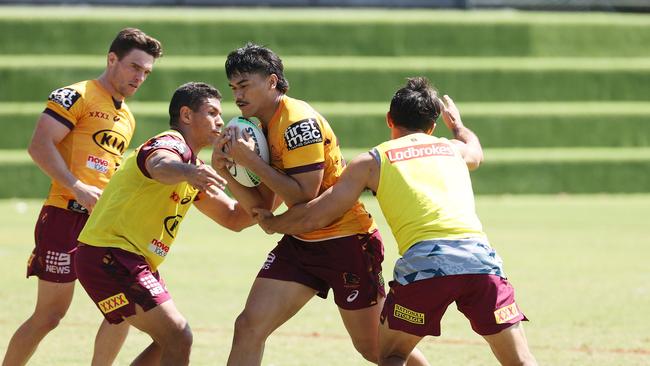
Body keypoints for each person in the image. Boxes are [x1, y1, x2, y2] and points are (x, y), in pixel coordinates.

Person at [254, 77, 537, 366]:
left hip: (426, 268)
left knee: (392, 355)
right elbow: (475, 151)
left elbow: (320, 213)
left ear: (389, 119)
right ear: (432, 127)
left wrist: (274, 222)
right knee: (520, 361)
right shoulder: (453, 148)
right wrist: (459, 126)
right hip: (481, 263)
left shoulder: (372, 161)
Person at [213, 43, 428, 366]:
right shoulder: (258, 125)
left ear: (272, 82)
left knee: (377, 349)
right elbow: (264, 204)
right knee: (248, 327)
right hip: (302, 243)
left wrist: (251, 162)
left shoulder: (299, 122)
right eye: (233, 88)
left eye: (244, 85)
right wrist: (226, 171)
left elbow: (304, 197)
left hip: (348, 244)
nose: (237, 95)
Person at [3, 28, 163, 366]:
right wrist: (76, 186)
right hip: (64, 215)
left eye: (146, 72)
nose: (140, 77)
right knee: (49, 316)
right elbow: (39, 145)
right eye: (135, 67)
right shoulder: (76, 95)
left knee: (124, 309)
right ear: (112, 59)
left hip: (104, 225)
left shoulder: (127, 117)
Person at [74, 81, 254, 366]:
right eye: (211, 112)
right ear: (186, 115)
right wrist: (189, 171)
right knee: (179, 336)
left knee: (169, 340)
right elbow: (159, 165)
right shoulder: (171, 144)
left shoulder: (191, 165)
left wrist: (273, 182)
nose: (220, 121)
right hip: (111, 254)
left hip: (125, 259)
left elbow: (234, 217)